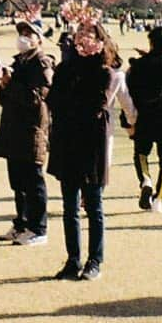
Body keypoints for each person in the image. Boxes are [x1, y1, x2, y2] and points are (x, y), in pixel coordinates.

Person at [47, 22, 131, 282]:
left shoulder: (105, 72)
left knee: (93, 205)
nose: (82, 39)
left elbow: (97, 103)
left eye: (89, 34)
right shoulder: (65, 68)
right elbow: (53, 101)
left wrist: (69, 104)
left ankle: (95, 259)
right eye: (79, 34)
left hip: (92, 141)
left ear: (100, 40)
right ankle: (73, 259)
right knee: (69, 206)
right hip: (67, 139)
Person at [0, 21, 54, 245]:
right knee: (17, 181)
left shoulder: (42, 63)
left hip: (32, 129)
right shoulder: (19, 62)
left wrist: (13, 84)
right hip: (13, 128)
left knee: (33, 180)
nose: (24, 37)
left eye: (29, 33)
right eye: (22, 33)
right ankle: (22, 223)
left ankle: (38, 228)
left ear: (39, 38)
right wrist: (5, 84)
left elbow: (37, 98)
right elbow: (4, 99)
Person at [125, 26, 162, 213]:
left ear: (151, 42)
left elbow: (129, 95)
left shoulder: (137, 65)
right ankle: (159, 198)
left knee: (141, 153)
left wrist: (128, 121)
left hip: (143, 114)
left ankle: (145, 179)